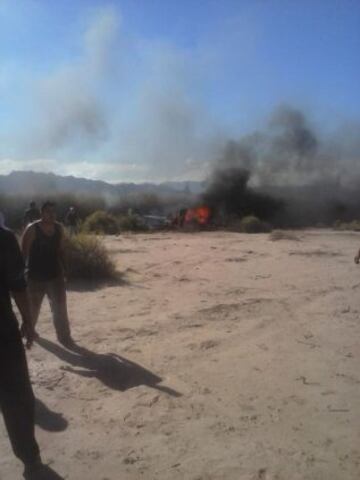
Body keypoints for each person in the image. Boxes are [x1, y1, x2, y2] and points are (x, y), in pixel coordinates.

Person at [0, 217, 43, 478]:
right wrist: (28, 321)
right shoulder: (3, 238)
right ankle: (30, 458)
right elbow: (17, 285)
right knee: (16, 397)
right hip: (2, 335)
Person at [22, 201, 72, 346]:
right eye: (48, 211)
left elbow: (61, 250)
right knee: (32, 310)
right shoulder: (32, 229)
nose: (52, 214)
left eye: (54, 211)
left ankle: (64, 337)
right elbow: (23, 253)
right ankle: (29, 332)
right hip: (35, 277)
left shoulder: (59, 229)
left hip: (55, 275)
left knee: (60, 307)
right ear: (42, 213)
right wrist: (21, 275)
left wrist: (66, 270)